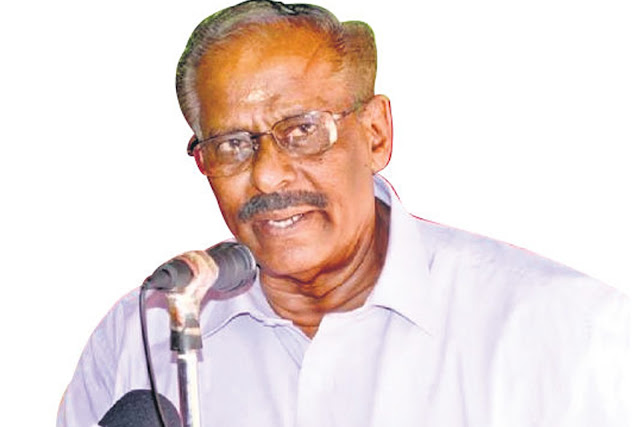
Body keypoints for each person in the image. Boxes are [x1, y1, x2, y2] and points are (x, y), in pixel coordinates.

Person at [57, 1, 630, 426]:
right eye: (232, 144)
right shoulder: (145, 335)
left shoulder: (563, 331)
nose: (268, 175)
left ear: (376, 134)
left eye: (302, 130)